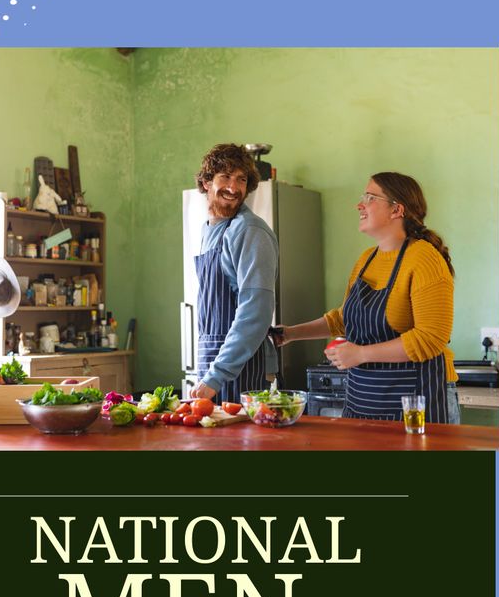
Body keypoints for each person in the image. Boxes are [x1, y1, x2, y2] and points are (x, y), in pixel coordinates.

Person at [273, 172, 459, 422]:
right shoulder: (367, 259)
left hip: (418, 402)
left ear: (397, 210)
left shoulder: (424, 259)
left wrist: (361, 354)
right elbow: (343, 318)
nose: (359, 204)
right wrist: (291, 334)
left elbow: (431, 338)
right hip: (363, 400)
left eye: (370, 197)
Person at [190, 143, 279, 402]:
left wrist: (216, 375)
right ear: (207, 182)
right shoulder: (210, 230)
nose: (233, 187)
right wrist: (210, 373)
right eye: (225, 177)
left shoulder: (250, 231)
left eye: (241, 179)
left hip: (241, 369)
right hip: (211, 361)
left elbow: (255, 312)